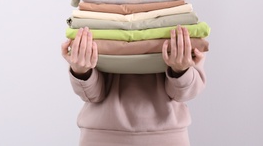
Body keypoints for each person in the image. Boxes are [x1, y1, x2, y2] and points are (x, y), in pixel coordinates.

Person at [61, 25, 207, 146]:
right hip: (102, 137)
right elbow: (92, 94)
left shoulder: (178, 21)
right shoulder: (97, 20)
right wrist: (81, 71)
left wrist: (180, 70)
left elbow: (184, 93)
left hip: (165, 137)